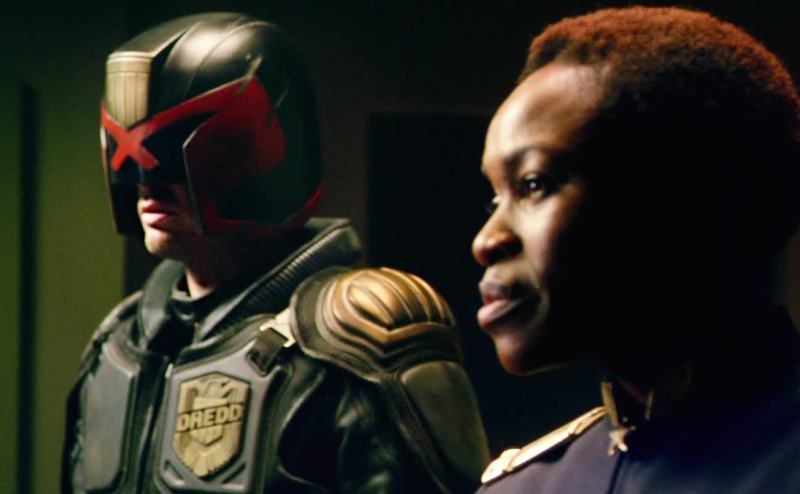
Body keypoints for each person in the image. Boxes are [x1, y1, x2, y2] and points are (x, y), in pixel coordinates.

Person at [61, 12, 489, 494]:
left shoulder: (359, 339)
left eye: (171, 152)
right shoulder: (118, 345)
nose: (146, 183)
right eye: (129, 152)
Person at [472, 6, 800, 493]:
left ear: (683, 194)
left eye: (534, 184)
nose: (486, 241)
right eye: (495, 198)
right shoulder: (521, 488)